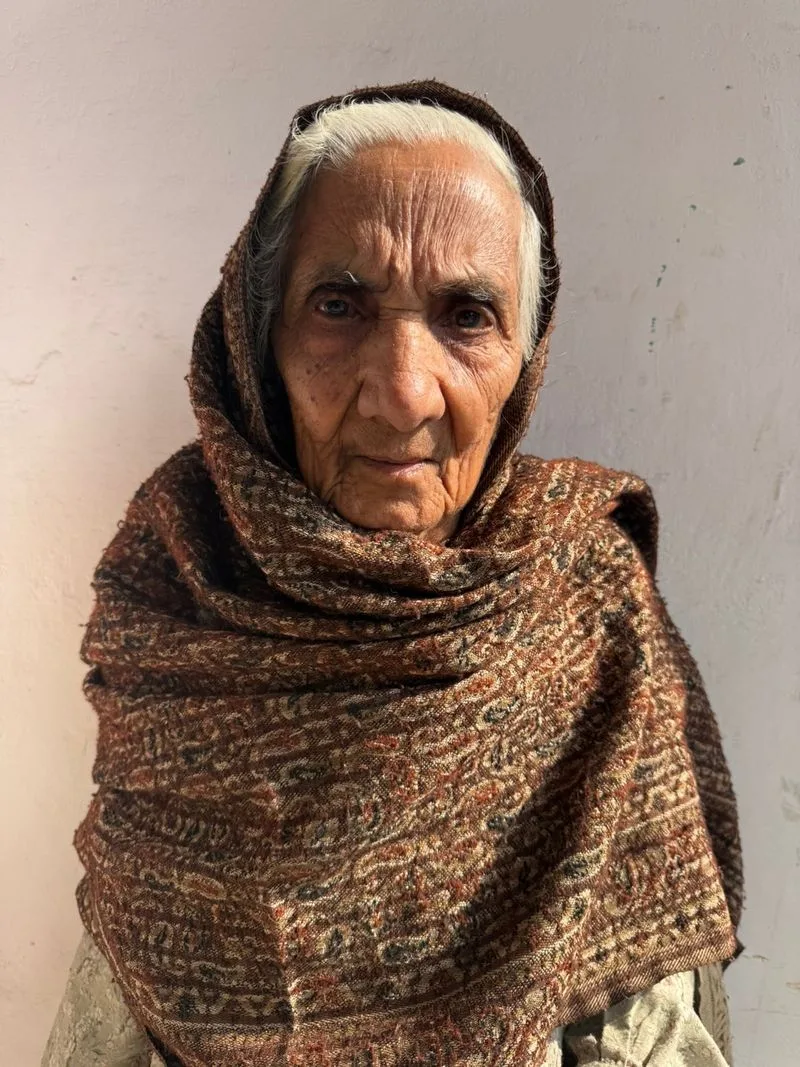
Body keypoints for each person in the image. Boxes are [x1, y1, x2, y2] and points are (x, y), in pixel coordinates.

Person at [43, 80, 743, 1067]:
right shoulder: (181, 582)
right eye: (339, 305)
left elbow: (649, 1010)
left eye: (467, 315)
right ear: (259, 337)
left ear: (525, 355)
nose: (403, 392)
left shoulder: (585, 596)